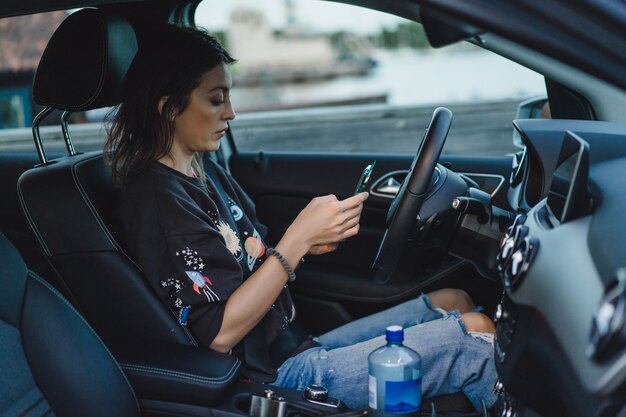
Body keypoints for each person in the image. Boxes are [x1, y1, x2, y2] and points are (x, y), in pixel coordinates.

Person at [106, 24, 497, 410]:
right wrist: (296, 242)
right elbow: (218, 334)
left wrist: (312, 242)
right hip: (267, 378)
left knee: (455, 300)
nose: (231, 112)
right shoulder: (159, 203)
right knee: (474, 339)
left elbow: (249, 258)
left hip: (292, 343)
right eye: (215, 99)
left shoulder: (203, 171)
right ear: (169, 107)